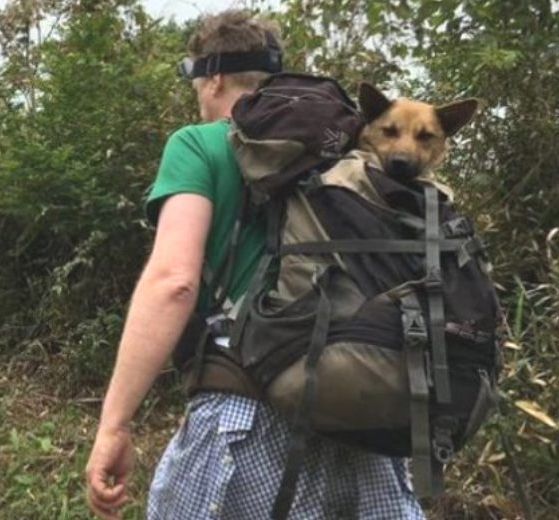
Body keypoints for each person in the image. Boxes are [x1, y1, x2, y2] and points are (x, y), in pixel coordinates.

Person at [85, 10, 426, 519]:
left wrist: (114, 423)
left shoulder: (198, 144)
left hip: (241, 423)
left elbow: (174, 282)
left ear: (212, 76)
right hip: (359, 423)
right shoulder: (351, 156)